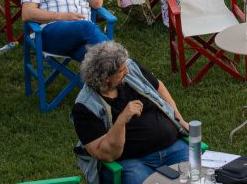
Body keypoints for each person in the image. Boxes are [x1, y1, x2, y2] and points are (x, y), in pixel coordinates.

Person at [73, 40, 189, 184]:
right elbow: (106, 154)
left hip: (172, 147)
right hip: (132, 163)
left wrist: (179, 118)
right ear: (105, 78)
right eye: (121, 70)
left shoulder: (131, 68)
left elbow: (159, 87)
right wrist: (122, 120)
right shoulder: (85, 107)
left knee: (195, 176)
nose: (127, 71)